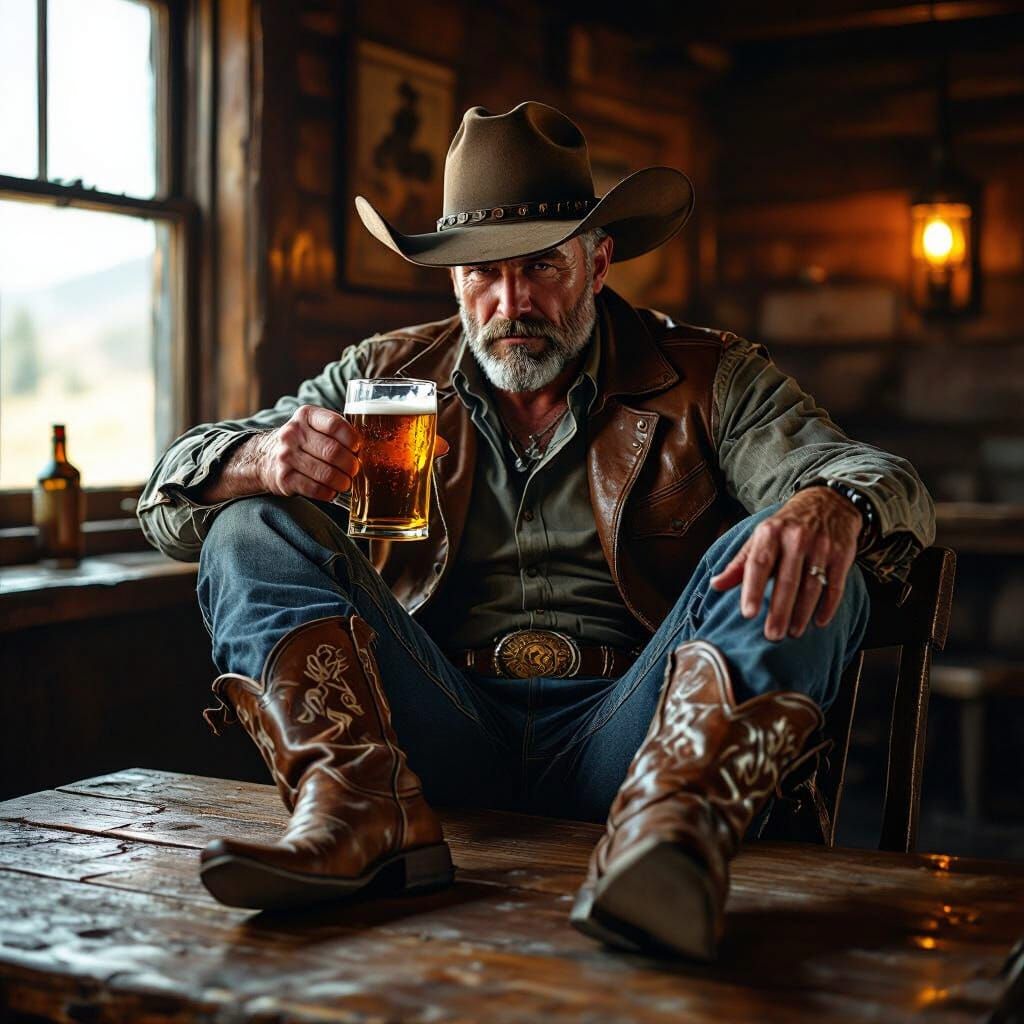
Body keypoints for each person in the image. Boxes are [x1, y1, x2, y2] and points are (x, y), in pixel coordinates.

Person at [139, 101, 934, 960]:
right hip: (434, 736)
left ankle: (671, 843)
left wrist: (828, 505)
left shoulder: (711, 376)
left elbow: (878, 478)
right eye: (482, 273)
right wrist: (260, 458)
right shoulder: (382, 374)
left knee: (804, 546)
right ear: (451, 280)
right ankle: (356, 812)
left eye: (541, 267)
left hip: (633, 740)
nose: (510, 303)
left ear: (598, 263)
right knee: (246, 526)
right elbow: (164, 503)